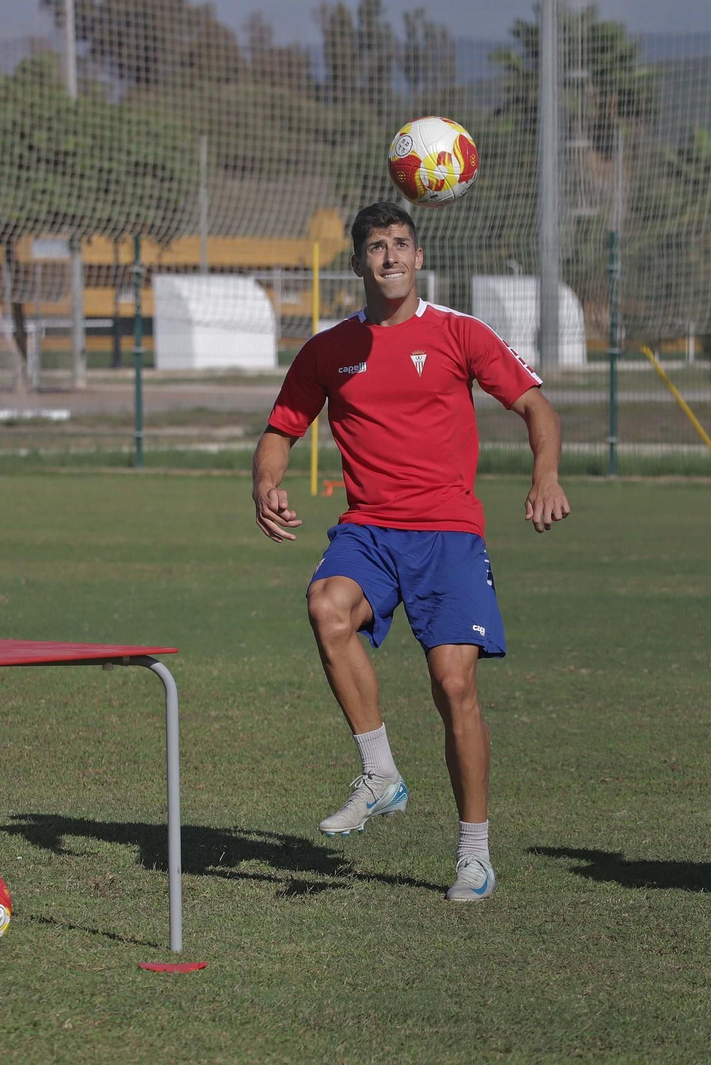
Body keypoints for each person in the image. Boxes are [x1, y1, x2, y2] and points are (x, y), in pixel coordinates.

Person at [252, 201, 570, 901]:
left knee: (453, 686)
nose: (390, 256)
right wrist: (265, 484)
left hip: (449, 533)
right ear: (358, 262)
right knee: (326, 606)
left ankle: (475, 854)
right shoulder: (328, 350)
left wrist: (545, 473)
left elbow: (536, 406)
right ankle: (380, 772)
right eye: (376, 246)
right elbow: (280, 430)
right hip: (369, 529)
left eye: (401, 243)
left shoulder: (461, 333)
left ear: (418, 257)